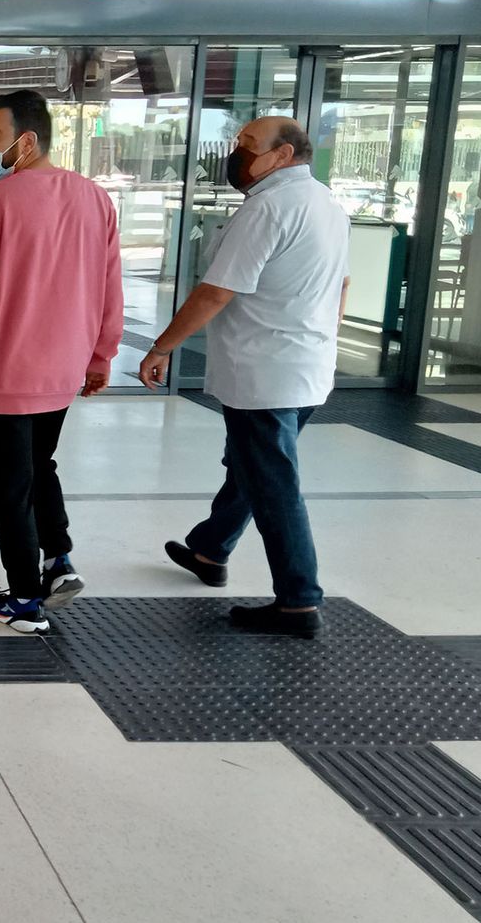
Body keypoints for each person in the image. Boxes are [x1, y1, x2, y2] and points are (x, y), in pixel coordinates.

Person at [140, 116, 349, 640]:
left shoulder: (268, 208)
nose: (237, 152)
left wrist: (162, 346)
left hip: (266, 370)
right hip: (305, 364)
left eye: (249, 144)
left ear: (282, 155)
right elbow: (342, 284)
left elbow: (217, 291)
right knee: (252, 465)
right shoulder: (326, 203)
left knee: (274, 482)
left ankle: (299, 601)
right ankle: (210, 549)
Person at [0, 90, 123, 634]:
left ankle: (23, 600)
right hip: (61, 374)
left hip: (3, 378)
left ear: (27, 141)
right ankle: (58, 559)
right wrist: (101, 356)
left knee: (7, 486)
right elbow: (111, 288)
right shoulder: (95, 198)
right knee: (39, 465)